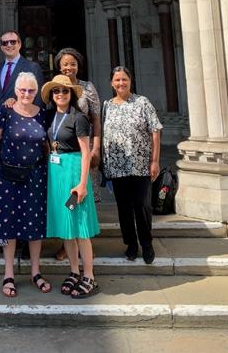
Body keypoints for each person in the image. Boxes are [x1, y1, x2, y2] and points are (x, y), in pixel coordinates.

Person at [0, 72, 51, 297]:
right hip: (9, 177)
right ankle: (9, 274)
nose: (26, 94)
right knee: (10, 224)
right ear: (15, 91)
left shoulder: (42, 113)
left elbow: (47, 145)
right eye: (22, 90)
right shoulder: (5, 110)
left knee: (35, 225)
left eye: (31, 90)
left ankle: (35, 272)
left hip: (36, 177)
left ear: (36, 92)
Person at [43, 74, 100, 298]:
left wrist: (83, 184)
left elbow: (86, 153)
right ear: (51, 95)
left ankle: (89, 276)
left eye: (65, 90)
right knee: (66, 228)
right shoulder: (49, 116)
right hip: (56, 173)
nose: (60, 94)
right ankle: (74, 271)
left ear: (71, 94)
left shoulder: (79, 118)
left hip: (74, 173)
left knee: (80, 227)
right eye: (56, 91)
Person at [101, 66, 162, 264]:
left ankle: (146, 243)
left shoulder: (142, 102)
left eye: (124, 79)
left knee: (142, 206)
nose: (121, 83)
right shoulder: (107, 106)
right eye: (117, 80)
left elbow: (155, 131)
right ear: (112, 83)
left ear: (130, 81)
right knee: (124, 208)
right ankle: (131, 244)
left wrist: (154, 161)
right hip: (116, 167)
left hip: (140, 164)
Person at [53, 47, 102, 260]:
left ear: (78, 66)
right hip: (64, 154)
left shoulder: (87, 87)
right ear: (58, 66)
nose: (69, 67)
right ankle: (69, 242)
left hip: (83, 149)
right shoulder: (57, 88)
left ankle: (85, 240)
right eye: (65, 64)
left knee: (83, 196)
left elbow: (96, 119)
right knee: (67, 199)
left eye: (72, 63)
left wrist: (96, 148)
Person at [0, 30, 43, 126]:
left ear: (19, 44)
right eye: (5, 43)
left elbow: (38, 100)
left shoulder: (32, 68)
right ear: (1, 47)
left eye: (13, 42)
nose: (9, 45)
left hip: (22, 125)